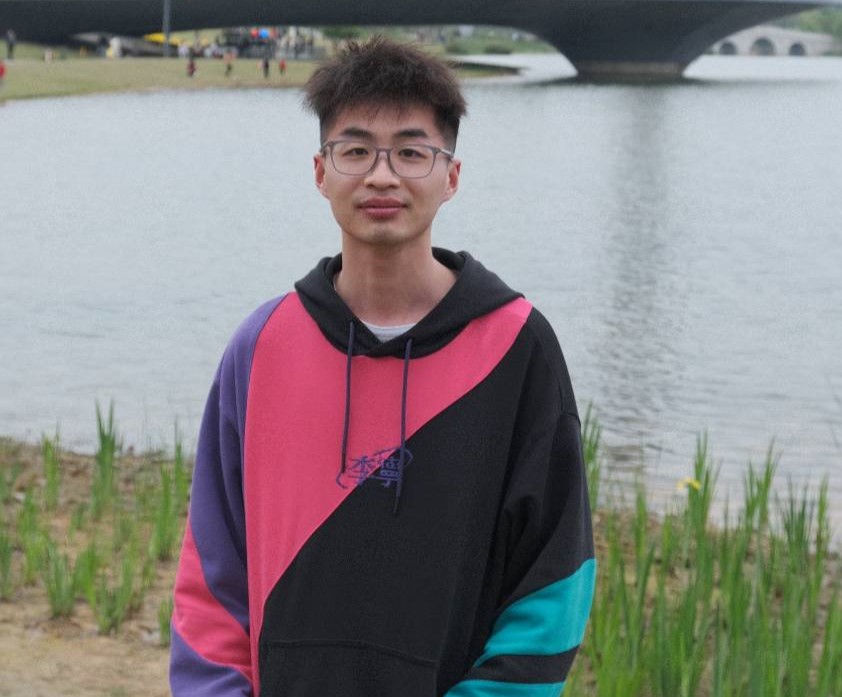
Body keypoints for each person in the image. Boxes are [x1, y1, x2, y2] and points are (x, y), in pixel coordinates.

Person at [169, 36, 595, 697]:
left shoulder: (517, 347)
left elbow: (554, 577)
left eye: (411, 152)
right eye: (356, 149)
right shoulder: (261, 343)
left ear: (451, 176)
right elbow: (211, 569)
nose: (382, 176)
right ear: (321, 171)